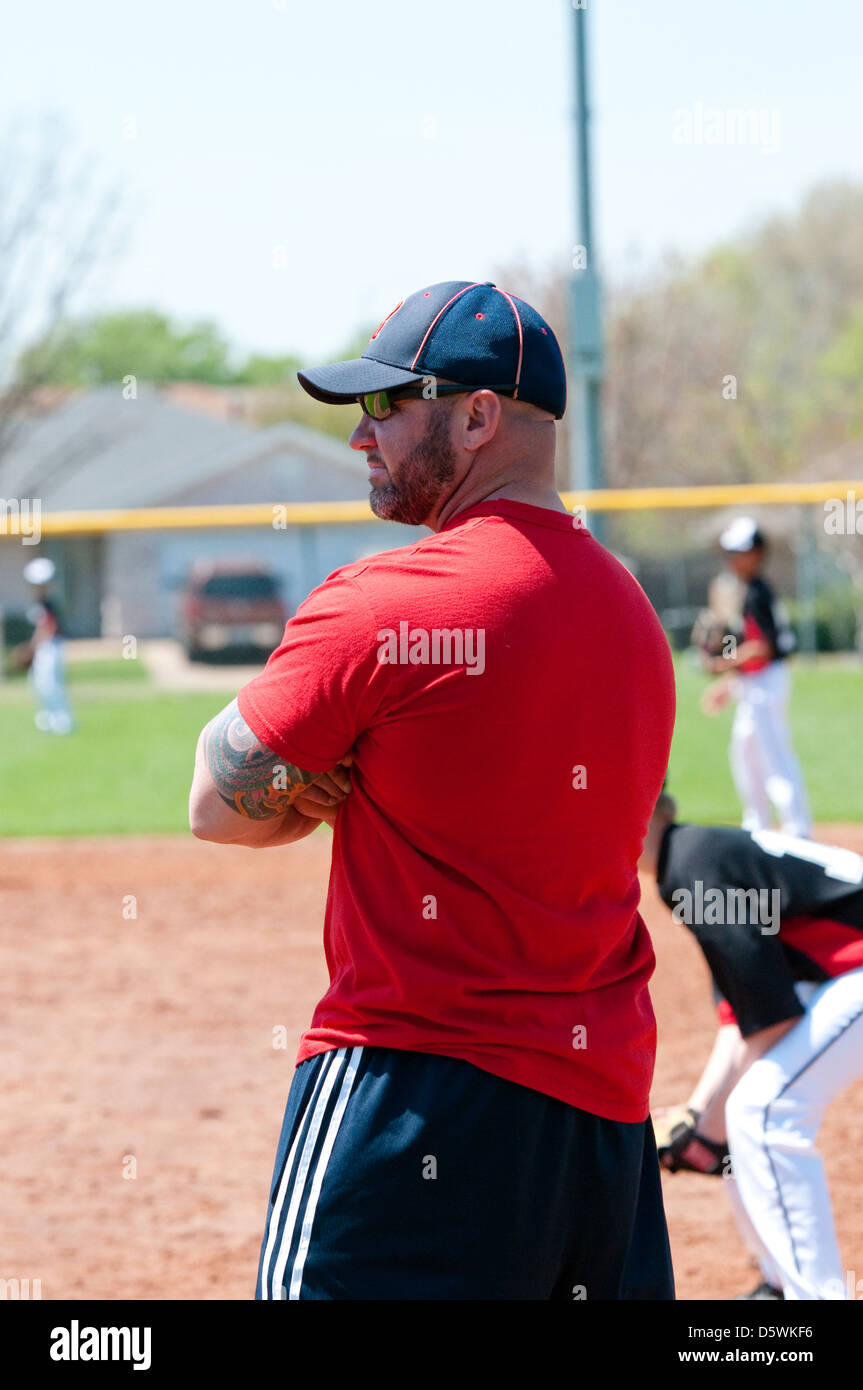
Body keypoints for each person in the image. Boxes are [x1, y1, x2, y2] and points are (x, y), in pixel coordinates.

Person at [189, 280, 676, 1301]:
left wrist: (326, 784)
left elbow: (214, 799)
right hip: (599, 1129)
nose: (361, 438)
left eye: (382, 407)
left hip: (409, 1098)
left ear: (477, 414)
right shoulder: (631, 614)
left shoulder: (387, 600)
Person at [641, 790, 863, 1300]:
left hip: (851, 969)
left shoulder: (691, 871)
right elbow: (746, 1012)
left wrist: (698, 1115)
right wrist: (700, 1120)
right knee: (735, 1125)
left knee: (763, 1113)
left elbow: (770, 1019)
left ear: (647, 810)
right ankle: (781, 1282)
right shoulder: (697, 855)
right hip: (838, 974)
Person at [700, 517, 810, 837]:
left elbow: (761, 647)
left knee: (773, 753)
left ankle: (797, 828)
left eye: (740, 552)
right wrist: (729, 684)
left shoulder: (757, 592)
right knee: (745, 753)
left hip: (768, 681)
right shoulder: (746, 589)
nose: (733, 558)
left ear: (758, 553)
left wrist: (721, 664)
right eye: (730, 552)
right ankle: (758, 824)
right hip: (755, 682)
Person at [17, 556, 74, 735]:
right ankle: (48, 717)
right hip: (45, 647)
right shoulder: (41, 602)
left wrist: (31, 648)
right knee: (40, 683)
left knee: (50, 684)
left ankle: (62, 719)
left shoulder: (49, 603)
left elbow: (48, 629)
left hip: (51, 647)